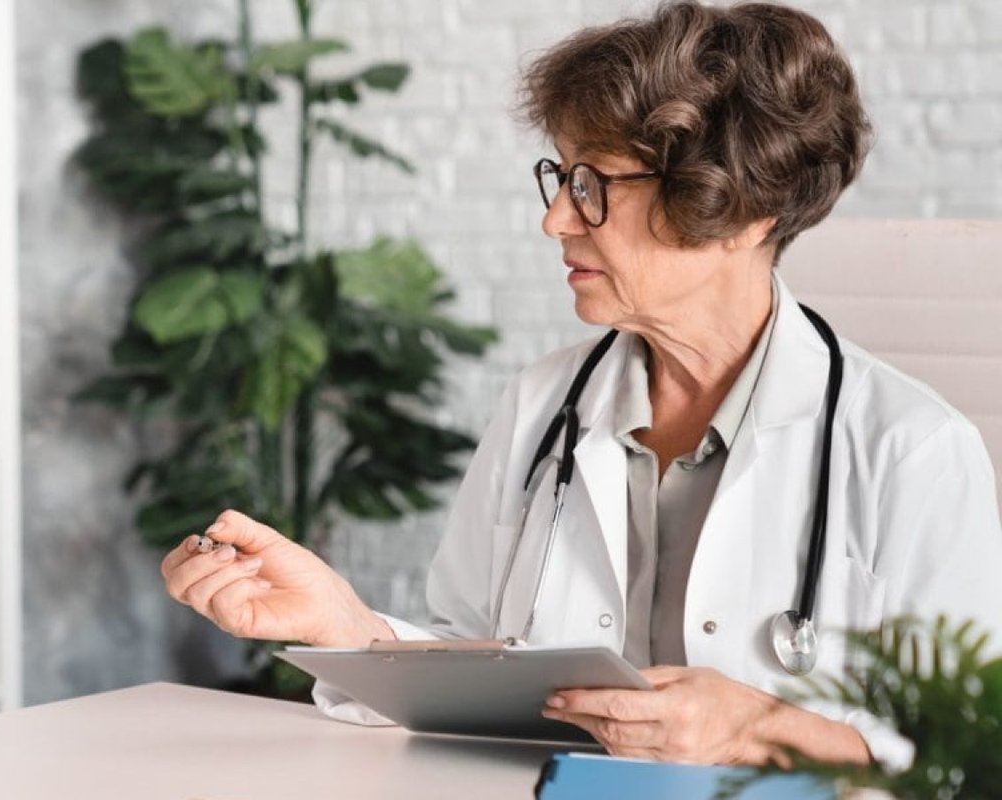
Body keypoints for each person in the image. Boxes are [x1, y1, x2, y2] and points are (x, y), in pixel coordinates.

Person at [161, 0, 1002, 769]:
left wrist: (760, 733)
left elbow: (967, 760)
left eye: (594, 185)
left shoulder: (912, 452)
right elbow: (475, 665)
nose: (556, 218)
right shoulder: (543, 404)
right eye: (561, 177)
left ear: (741, 210)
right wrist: (344, 627)